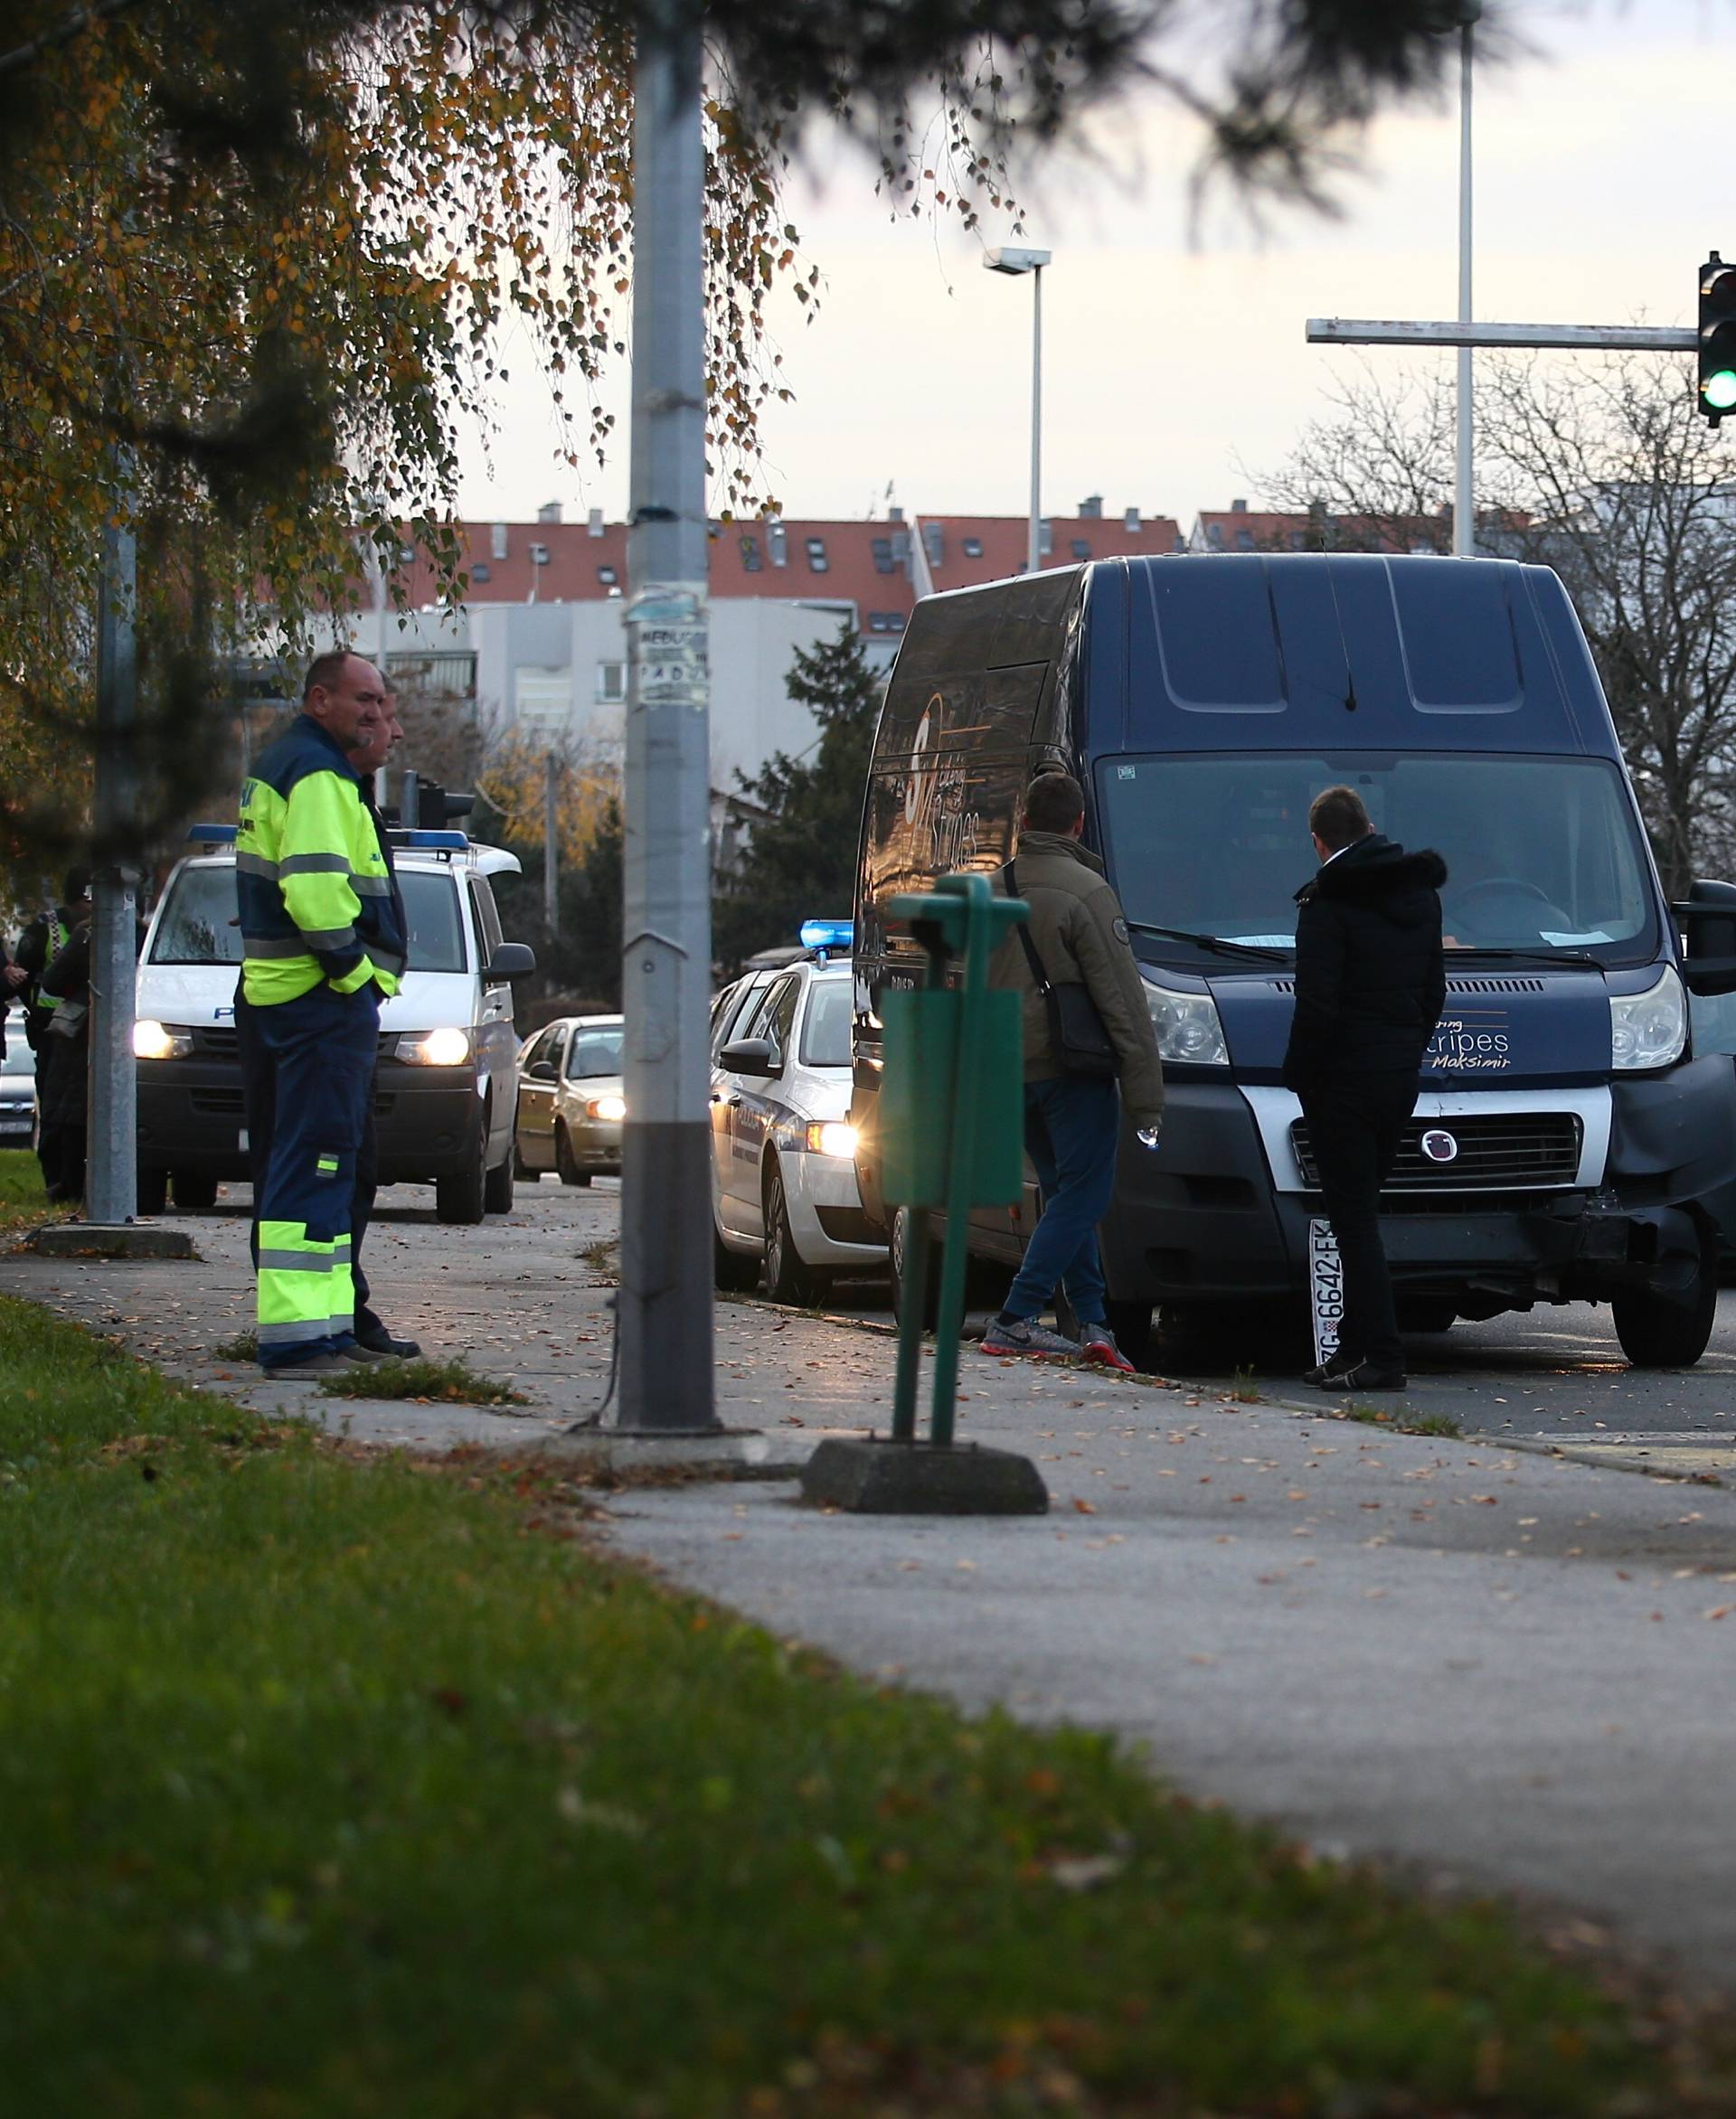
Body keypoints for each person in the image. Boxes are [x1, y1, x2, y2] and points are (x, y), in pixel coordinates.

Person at [234, 651, 409, 1379]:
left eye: (380, 702)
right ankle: (300, 1341)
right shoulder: (317, 775)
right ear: (319, 700)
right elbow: (314, 892)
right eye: (362, 700)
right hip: (317, 1001)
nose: (375, 714)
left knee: (315, 1160)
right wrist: (355, 975)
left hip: (284, 996)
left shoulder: (288, 764)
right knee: (317, 1161)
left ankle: (328, 1326)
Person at [983, 770, 1166, 1369]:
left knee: (1064, 1193)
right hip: (1072, 1070)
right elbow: (1122, 1000)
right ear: (1079, 823)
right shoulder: (1086, 892)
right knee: (1085, 1195)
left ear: (1025, 820)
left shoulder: (988, 891)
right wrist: (1145, 1096)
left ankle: (1094, 1323)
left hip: (1010, 1070)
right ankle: (1015, 1318)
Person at [1282, 785, 1447, 1392]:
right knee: (1361, 1212)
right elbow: (1435, 992)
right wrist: (1405, 1052)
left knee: (1352, 1222)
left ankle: (1382, 1357)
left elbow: (1317, 1007)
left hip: (1342, 1082)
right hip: (1397, 1078)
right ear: (1369, 825)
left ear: (1318, 840)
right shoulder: (1420, 894)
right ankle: (1351, 1349)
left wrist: (1298, 1074)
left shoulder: (1325, 904)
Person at [14, 870, 90, 1054]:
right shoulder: (43, 927)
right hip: (51, 1025)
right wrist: (36, 1012)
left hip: (93, 1023)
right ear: (75, 901)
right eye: (88, 901)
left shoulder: (111, 926)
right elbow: (22, 977)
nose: (95, 907)